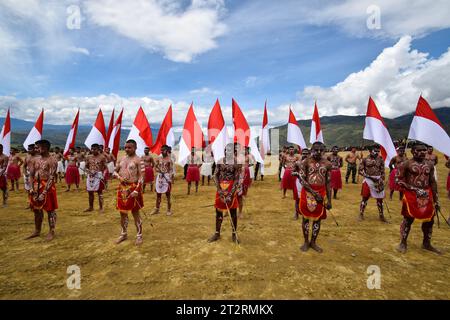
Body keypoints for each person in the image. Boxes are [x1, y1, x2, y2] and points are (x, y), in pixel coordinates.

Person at [396, 142, 441, 254]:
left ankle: (426, 243)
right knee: (408, 219)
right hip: (411, 195)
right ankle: (403, 242)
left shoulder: (430, 165)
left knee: (429, 220)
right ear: (412, 151)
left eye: (424, 150)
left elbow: (432, 182)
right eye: (419, 150)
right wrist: (415, 189)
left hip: (426, 195)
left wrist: (436, 198)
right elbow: (399, 180)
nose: (422, 152)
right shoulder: (406, 164)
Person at [296, 142, 332, 253]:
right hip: (307, 192)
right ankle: (306, 242)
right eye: (316, 150)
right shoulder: (305, 162)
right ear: (312, 150)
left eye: (321, 150)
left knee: (318, 219)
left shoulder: (327, 164)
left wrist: (329, 200)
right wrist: (313, 192)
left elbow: (328, 183)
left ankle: (313, 242)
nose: (319, 152)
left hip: (321, 194)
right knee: (305, 218)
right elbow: (302, 179)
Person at [207, 143, 242, 244]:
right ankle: (217, 233)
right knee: (218, 212)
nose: (228, 152)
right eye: (227, 150)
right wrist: (219, 190)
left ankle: (234, 234)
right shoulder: (220, 161)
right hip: (221, 188)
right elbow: (215, 175)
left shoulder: (237, 163)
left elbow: (236, 179)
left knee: (233, 212)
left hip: (231, 188)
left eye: (231, 151)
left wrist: (231, 194)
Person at [113, 140, 144, 245]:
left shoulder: (139, 160)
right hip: (122, 189)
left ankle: (139, 235)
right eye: (125, 147)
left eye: (129, 147)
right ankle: (123, 233)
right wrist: (118, 177)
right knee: (122, 213)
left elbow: (141, 177)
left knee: (135, 213)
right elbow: (114, 171)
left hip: (133, 188)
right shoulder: (121, 159)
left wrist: (136, 190)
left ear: (135, 148)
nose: (127, 149)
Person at [26, 139, 58, 241]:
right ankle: (37, 230)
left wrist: (44, 192)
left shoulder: (52, 160)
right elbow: (31, 175)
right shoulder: (34, 160)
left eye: (38, 147)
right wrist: (31, 188)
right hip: (36, 186)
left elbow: (51, 177)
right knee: (36, 209)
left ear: (45, 148)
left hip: (47, 187)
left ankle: (51, 231)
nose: (37, 149)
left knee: (50, 210)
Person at [358, 145, 388, 223]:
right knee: (365, 198)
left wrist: (381, 178)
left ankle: (381, 215)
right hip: (368, 181)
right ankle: (361, 214)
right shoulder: (364, 159)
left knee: (380, 200)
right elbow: (360, 171)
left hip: (378, 180)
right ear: (370, 151)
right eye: (375, 151)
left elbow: (382, 170)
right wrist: (370, 177)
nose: (377, 153)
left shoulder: (380, 159)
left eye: (378, 151)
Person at [151, 145, 173, 216]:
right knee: (158, 194)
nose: (162, 152)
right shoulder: (159, 158)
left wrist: (169, 178)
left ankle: (169, 210)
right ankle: (156, 209)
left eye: (163, 150)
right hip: (160, 177)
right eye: (161, 150)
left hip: (166, 178)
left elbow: (171, 170)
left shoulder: (169, 160)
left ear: (166, 151)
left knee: (168, 195)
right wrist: (159, 171)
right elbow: (155, 167)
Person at [84, 144, 107, 212]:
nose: (93, 150)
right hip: (90, 176)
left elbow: (105, 167)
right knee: (90, 192)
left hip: (98, 176)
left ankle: (101, 207)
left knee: (100, 192)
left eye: (95, 149)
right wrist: (88, 171)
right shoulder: (88, 157)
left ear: (98, 149)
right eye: (92, 149)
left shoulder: (102, 157)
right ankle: (91, 207)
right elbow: (86, 166)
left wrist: (103, 175)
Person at [292, 148, 310, 220]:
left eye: (306, 153)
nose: (305, 155)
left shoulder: (311, 163)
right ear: (301, 154)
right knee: (298, 199)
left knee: (308, 198)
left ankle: (307, 212)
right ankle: (296, 213)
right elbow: (292, 171)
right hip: (299, 182)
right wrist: (296, 173)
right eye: (303, 153)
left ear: (309, 154)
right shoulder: (297, 162)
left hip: (309, 182)